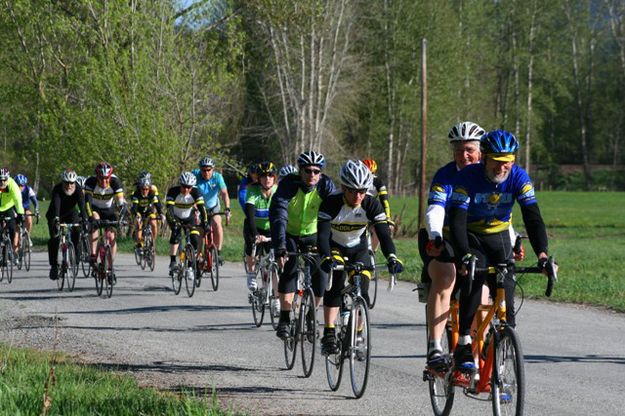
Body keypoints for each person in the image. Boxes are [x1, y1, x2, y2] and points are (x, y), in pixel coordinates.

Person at [448, 129, 552, 372]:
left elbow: (533, 218)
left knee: (507, 287)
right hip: (472, 235)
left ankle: (503, 337)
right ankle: (464, 342)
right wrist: (463, 253)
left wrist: (543, 255)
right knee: (475, 277)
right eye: (496, 161)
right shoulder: (468, 177)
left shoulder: (519, 177)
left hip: (500, 236)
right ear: (484, 158)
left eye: (507, 162)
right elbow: (457, 221)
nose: (501, 168)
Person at [418, 121, 486, 371]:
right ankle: (435, 346)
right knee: (446, 276)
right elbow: (435, 209)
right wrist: (435, 236)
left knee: (486, 288)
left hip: (473, 241)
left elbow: (498, 216)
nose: (463, 155)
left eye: (469, 149)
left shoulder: (486, 174)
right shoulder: (446, 175)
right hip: (441, 237)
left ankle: (476, 351)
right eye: (458, 150)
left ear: (480, 151)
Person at [317, 160, 403, 354]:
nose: (358, 196)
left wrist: (392, 257)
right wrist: (325, 257)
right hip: (335, 246)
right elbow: (321, 236)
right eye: (353, 191)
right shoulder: (331, 202)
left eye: (362, 191)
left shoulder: (371, 204)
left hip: (358, 248)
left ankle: (357, 332)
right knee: (336, 283)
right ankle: (329, 332)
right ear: (343, 188)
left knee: (362, 291)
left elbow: (383, 235)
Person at [269, 151, 337, 339]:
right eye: (308, 170)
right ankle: (284, 318)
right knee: (289, 268)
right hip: (289, 233)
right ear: (300, 171)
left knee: (321, 274)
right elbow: (279, 216)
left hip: (313, 234)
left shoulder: (326, 185)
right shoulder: (288, 185)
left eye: (316, 171)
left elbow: (335, 215)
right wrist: (280, 247)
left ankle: (310, 313)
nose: (312, 175)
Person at [244, 162, 279, 312]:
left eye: (270, 175)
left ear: (274, 178)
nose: (267, 179)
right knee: (253, 246)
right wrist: (256, 235)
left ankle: (277, 299)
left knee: (275, 267)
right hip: (255, 227)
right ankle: (252, 273)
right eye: (264, 176)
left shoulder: (278, 191)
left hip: (272, 229)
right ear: (259, 178)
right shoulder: (252, 190)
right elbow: (250, 215)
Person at [46, 169, 87, 280]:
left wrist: (85, 219)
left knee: (77, 230)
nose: (69, 186)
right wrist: (56, 219)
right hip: (55, 213)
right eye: (67, 183)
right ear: (62, 182)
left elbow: (82, 207)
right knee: (54, 238)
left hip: (70, 213)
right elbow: (56, 204)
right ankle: (54, 266)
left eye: (72, 183)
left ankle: (75, 256)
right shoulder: (58, 189)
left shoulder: (78, 189)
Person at [165, 172, 208, 278]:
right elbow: (169, 210)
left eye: (189, 187)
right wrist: (174, 221)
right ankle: (173, 261)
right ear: (180, 184)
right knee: (176, 234)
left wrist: (205, 222)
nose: (186, 190)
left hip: (189, 217)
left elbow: (202, 209)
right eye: (184, 186)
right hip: (174, 216)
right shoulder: (173, 191)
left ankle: (190, 267)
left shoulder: (196, 192)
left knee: (194, 239)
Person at [84, 162, 126, 265]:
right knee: (94, 221)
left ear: (110, 176)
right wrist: (90, 218)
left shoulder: (115, 182)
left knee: (111, 237)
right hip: (95, 208)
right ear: (97, 176)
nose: (104, 181)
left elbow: (121, 202)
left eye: (107, 178)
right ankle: (93, 255)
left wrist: (122, 216)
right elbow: (87, 203)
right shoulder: (90, 182)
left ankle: (110, 266)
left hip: (109, 210)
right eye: (101, 178)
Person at [193, 157, 231, 264]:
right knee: (200, 232)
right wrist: (194, 208)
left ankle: (218, 253)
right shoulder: (195, 175)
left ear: (212, 169)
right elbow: (191, 193)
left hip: (213, 206)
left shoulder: (217, 177)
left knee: (217, 224)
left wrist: (227, 208)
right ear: (200, 169)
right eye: (203, 170)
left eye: (208, 170)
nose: (206, 172)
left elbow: (224, 193)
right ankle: (198, 256)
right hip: (199, 207)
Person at [362, 159, 394, 252]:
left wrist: (387, 217)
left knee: (380, 229)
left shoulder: (378, 182)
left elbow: (385, 201)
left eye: (372, 173)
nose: (369, 176)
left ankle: (373, 251)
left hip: (371, 209)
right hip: (357, 208)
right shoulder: (357, 179)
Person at [130, 174, 164, 253]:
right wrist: (136, 215)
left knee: (154, 223)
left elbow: (157, 205)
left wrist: (161, 214)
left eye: (146, 189)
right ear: (140, 188)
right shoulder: (136, 193)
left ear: (149, 189)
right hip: (139, 212)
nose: (145, 191)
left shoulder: (152, 193)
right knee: (139, 228)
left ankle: (153, 243)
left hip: (149, 211)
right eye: (143, 189)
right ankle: (140, 244)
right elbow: (134, 207)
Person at [0, 169, 24, 258]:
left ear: (8, 178)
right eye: (0, 180)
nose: (2, 182)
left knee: (12, 229)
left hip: (8, 207)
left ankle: (10, 249)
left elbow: (18, 200)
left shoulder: (12, 185)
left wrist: (20, 214)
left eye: (4, 180)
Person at [15, 174, 39, 247]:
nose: (20, 187)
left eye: (22, 185)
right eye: (18, 185)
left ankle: (28, 236)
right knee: (17, 227)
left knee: (29, 217)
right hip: (15, 209)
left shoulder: (28, 189)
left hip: (25, 208)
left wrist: (36, 209)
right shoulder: (13, 189)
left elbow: (35, 201)